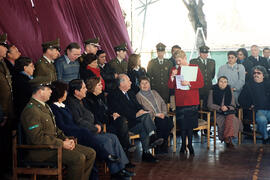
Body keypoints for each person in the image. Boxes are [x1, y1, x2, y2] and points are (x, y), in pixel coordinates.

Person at [49, 80, 135, 178]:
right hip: (83, 133)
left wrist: (98, 125)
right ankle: (115, 171)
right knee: (107, 140)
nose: (86, 90)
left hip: (89, 130)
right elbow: (78, 122)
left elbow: (93, 115)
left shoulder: (81, 101)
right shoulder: (70, 103)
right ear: (77, 92)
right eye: (84, 88)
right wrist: (94, 128)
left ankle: (121, 168)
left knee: (113, 137)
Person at [20, 83, 96, 180]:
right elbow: (37, 138)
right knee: (78, 158)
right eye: (48, 89)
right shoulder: (31, 110)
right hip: (41, 151)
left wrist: (66, 139)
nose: (51, 91)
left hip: (54, 147)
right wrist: (61, 143)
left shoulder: (45, 107)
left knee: (90, 153)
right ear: (40, 91)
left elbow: (55, 129)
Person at [108, 74, 163, 163]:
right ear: (121, 83)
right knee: (145, 121)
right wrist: (136, 114)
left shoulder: (131, 93)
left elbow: (138, 106)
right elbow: (120, 110)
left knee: (145, 119)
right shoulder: (113, 95)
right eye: (128, 81)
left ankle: (146, 153)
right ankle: (152, 137)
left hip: (135, 122)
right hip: (125, 124)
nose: (131, 82)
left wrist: (142, 110)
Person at [83, 77, 136, 153]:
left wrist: (112, 114)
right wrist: (109, 116)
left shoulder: (100, 96)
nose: (102, 86)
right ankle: (126, 147)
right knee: (120, 129)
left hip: (108, 120)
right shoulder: (88, 99)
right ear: (93, 87)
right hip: (101, 124)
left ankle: (126, 147)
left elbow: (107, 109)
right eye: (99, 85)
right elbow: (95, 115)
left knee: (121, 119)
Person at [168, 50, 204, 155]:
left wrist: (189, 83)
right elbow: (170, 86)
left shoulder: (194, 67)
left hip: (192, 100)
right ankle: (183, 145)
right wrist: (172, 77)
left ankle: (190, 145)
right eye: (176, 61)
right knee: (182, 125)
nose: (178, 63)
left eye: (179, 60)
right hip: (180, 101)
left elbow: (201, 83)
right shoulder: (174, 69)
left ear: (184, 58)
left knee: (190, 124)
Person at [136, 76, 174, 153]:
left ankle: (162, 144)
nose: (144, 85)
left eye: (146, 83)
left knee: (170, 123)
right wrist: (156, 114)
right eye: (142, 83)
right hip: (151, 118)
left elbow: (163, 103)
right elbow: (142, 110)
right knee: (161, 123)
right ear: (139, 85)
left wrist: (163, 113)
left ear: (149, 84)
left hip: (162, 114)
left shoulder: (154, 92)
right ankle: (159, 146)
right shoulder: (138, 96)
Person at [207, 76, 243, 148]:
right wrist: (220, 108)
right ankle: (229, 140)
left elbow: (233, 104)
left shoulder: (229, 90)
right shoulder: (213, 90)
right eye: (221, 82)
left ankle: (227, 137)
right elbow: (209, 104)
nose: (223, 84)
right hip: (217, 113)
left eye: (225, 82)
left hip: (228, 112)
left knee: (233, 119)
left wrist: (227, 107)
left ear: (227, 83)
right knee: (230, 119)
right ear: (218, 82)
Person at [239, 65, 270, 144]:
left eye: (258, 73)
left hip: (269, 110)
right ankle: (265, 137)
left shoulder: (268, 84)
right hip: (256, 111)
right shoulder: (248, 85)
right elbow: (240, 99)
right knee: (262, 120)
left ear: (263, 75)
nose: (256, 74)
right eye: (254, 73)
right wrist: (249, 105)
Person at [0, 33, 14, 177]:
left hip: (7, 110)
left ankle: (5, 169)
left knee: (5, 143)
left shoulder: (3, 63)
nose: (6, 49)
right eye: (3, 46)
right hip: (1, 112)